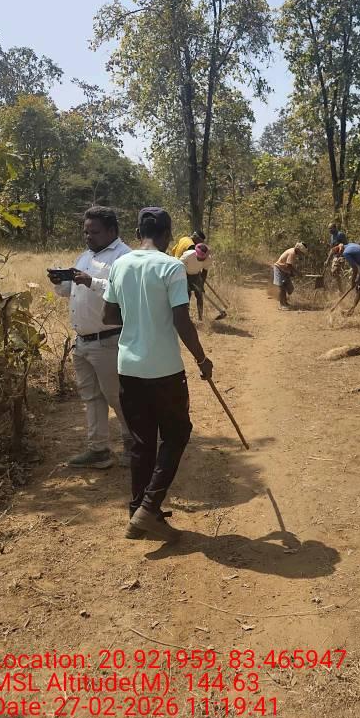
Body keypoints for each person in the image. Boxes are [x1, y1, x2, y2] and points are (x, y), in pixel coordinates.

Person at [102, 207, 213, 542]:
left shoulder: (120, 265)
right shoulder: (172, 267)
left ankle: (137, 512)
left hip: (128, 368)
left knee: (142, 442)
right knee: (177, 434)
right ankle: (149, 508)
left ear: (138, 233)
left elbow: (109, 316)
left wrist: (138, 317)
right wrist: (202, 359)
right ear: (168, 235)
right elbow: (181, 321)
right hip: (164, 370)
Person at [47, 206, 132, 469]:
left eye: (94, 232)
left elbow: (123, 292)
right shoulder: (85, 256)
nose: (88, 236)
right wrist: (61, 282)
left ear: (112, 230)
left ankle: (134, 443)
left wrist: (91, 281)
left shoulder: (124, 257)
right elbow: (71, 292)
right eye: (85, 232)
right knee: (91, 397)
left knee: (117, 396)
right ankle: (99, 449)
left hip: (108, 340)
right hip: (83, 341)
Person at [331, 242, 360, 315]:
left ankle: (352, 310)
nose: (341, 256)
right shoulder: (349, 245)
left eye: (339, 255)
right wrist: (357, 278)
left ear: (340, 252)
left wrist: (353, 281)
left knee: (359, 288)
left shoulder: (346, 253)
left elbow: (355, 269)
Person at [180, 242, 210, 322]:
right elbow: (179, 266)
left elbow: (204, 271)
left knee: (199, 295)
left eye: (203, 259)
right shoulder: (188, 255)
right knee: (187, 295)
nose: (201, 260)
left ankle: (200, 318)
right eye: (200, 258)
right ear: (196, 253)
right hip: (184, 274)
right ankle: (186, 318)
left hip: (196, 275)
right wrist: (184, 279)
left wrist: (201, 284)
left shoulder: (208, 259)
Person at [273, 242, 307, 310]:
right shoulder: (292, 253)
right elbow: (289, 265)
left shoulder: (294, 252)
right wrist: (297, 273)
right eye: (301, 252)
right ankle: (282, 305)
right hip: (279, 269)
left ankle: (285, 302)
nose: (301, 254)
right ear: (298, 249)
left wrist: (291, 273)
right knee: (281, 287)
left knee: (289, 288)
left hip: (284, 270)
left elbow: (288, 265)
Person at [325, 222, 348, 293]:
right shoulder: (332, 237)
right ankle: (340, 289)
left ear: (335, 228)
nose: (329, 230)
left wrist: (343, 255)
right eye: (329, 229)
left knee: (335, 272)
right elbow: (332, 249)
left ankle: (341, 289)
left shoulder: (340, 234)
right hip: (335, 257)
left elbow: (346, 246)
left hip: (341, 257)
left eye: (331, 228)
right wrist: (327, 260)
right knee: (334, 273)